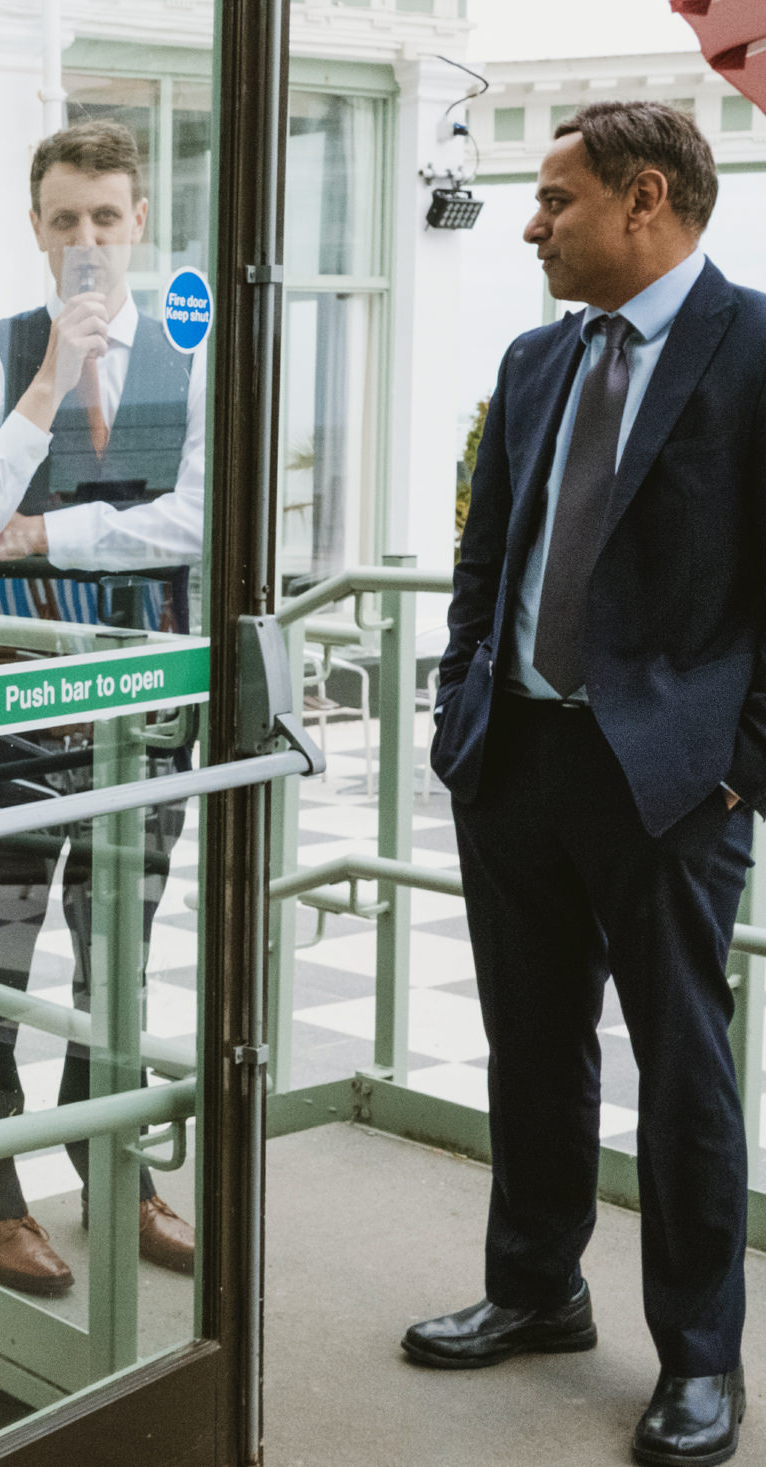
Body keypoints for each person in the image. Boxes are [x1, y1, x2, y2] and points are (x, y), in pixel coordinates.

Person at [413, 99, 761, 1467]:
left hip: (673, 784)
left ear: (646, 198)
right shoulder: (534, 358)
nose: (530, 221)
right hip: (518, 761)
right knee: (530, 1043)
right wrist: (461, 706)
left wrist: (741, 769)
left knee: (684, 1074)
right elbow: (485, 556)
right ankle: (535, 1285)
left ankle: (700, 1358)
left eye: (556, 197)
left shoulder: (757, 346)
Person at [0, 118, 204, 1297]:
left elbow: (207, 516)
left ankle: (115, 1171)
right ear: (34, 229)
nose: (86, 239)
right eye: (63, 220)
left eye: (105, 216)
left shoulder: (198, 353)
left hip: (143, 706)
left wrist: (52, 529)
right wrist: (45, 384)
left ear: (138, 220)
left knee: (118, 963)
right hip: (7, 699)